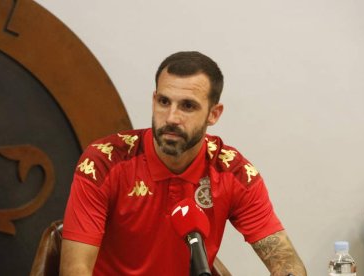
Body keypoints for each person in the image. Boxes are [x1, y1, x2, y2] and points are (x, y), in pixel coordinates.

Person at [60, 51, 307, 275]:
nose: (171, 118)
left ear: (214, 113)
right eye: (164, 102)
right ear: (154, 99)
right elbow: (75, 270)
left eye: (187, 106)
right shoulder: (104, 162)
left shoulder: (233, 173)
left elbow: (285, 260)